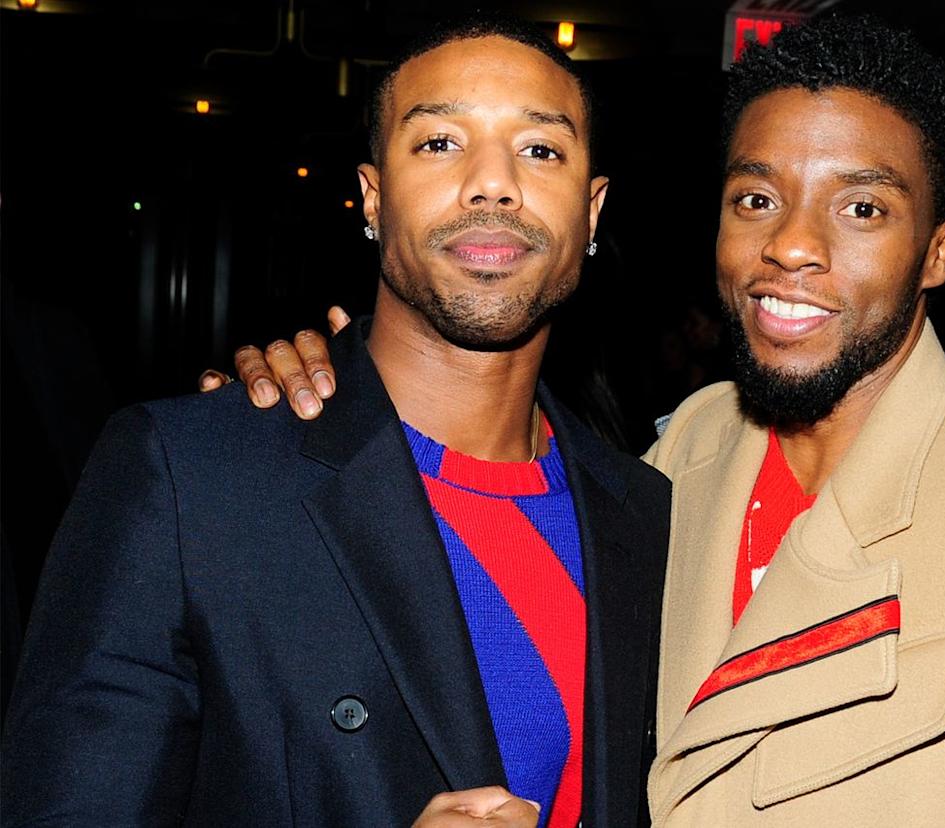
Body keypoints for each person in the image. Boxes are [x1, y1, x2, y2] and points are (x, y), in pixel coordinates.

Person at [217, 15, 945, 825]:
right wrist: (324, 401)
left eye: (861, 210)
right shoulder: (682, 453)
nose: (791, 245)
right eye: (754, 198)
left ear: (941, 251)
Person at [1, 14, 670, 828]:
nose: (492, 182)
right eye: (438, 143)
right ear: (372, 197)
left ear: (592, 211)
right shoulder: (189, 476)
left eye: (540, 149)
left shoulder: (644, 511)